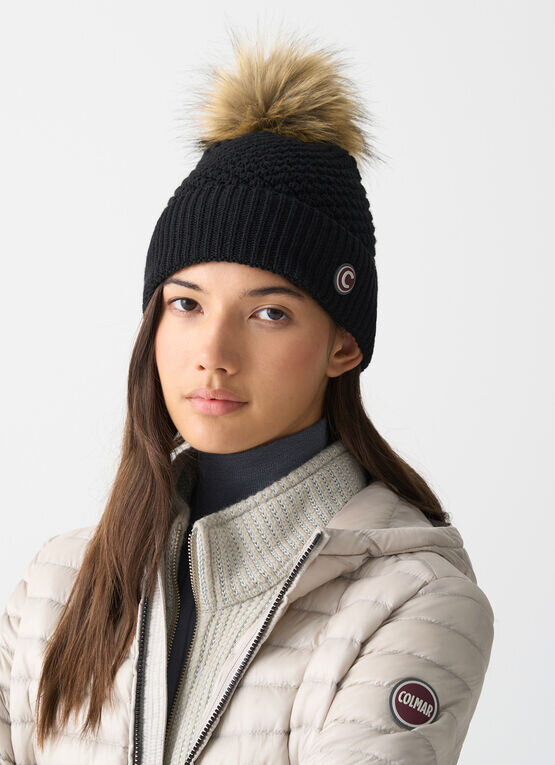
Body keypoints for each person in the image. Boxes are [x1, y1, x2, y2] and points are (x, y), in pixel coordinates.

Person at [0, 29, 494, 765]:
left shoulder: (411, 599)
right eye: (186, 304)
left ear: (343, 344)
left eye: (268, 312)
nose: (214, 353)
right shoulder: (59, 585)